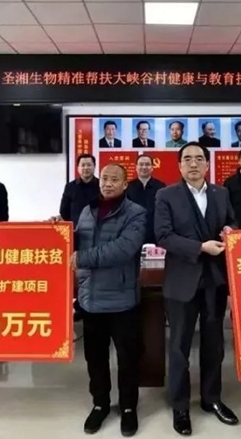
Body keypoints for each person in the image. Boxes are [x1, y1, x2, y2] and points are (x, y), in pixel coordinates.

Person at [154, 142, 238, 436]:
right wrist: (200, 247)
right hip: (182, 280)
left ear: (207, 164)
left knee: (214, 345)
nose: (193, 163)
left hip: (215, 281)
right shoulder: (166, 195)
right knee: (179, 346)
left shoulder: (220, 193)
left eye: (199, 159)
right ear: (179, 166)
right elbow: (163, 235)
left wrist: (230, 230)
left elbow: (231, 221)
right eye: (187, 159)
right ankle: (179, 405)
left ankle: (211, 398)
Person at [73, 163, 146, 436]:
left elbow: (123, 249)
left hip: (122, 299)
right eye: (104, 178)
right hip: (90, 298)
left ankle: (128, 408)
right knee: (95, 359)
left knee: (128, 359)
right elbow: (78, 241)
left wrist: (82, 258)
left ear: (125, 184)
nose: (107, 183)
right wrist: (58, 232)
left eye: (114, 179)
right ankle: (100, 404)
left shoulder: (136, 213)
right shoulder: (87, 210)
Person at [126, 155, 166, 244]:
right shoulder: (128, 187)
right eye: (141, 164)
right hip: (133, 231)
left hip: (155, 232)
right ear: (136, 167)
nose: (144, 167)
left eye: (147, 164)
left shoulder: (161, 187)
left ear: (152, 167)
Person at [57, 154, 100, 227]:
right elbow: (64, 211)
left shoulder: (101, 186)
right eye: (83, 165)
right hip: (76, 229)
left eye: (89, 165)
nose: (86, 168)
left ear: (94, 166)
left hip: (97, 228)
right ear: (78, 168)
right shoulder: (70, 187)